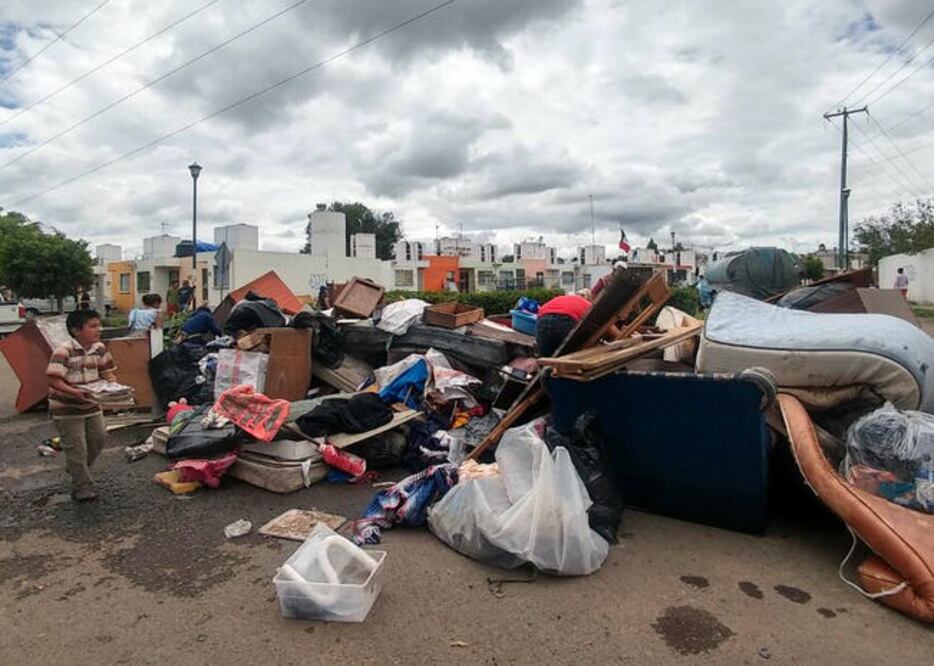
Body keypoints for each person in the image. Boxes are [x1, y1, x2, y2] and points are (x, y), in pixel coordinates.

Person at [46, 309, 117, 502]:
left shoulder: (100, 348)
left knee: (99, 438)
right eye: (93, 326)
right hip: (65, 407)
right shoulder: (64, 351)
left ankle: (76, 468)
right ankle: (82, 486)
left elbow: (107, 371)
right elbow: (53, 380)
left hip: (92, 403)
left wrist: (113, 385)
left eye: (98, 325)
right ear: (76, 330)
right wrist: (74, 392)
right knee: (76, 446)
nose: (98, 330)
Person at [535, 289, 593, 358]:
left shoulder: (561, 298)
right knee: (568, 356)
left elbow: (541, 311)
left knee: (545, 359)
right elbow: (597, 323)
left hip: (543, 320)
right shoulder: (588, 304)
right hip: (565, 320)